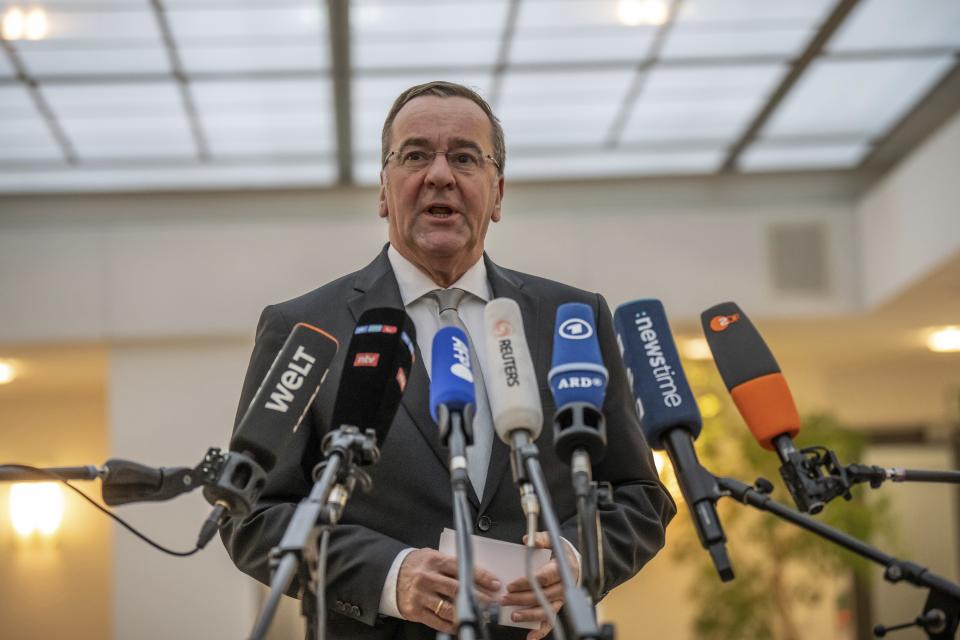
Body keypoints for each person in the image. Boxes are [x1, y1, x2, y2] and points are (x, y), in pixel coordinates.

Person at [221, 81, 675, 640]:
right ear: (384, 190)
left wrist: (577, 560)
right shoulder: (307, 328)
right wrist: (391, 575)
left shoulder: (572, 317)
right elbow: (254, 516)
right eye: (415, 155)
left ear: (498, 193)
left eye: (464, 157)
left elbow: (641, 497)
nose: (439, 174)